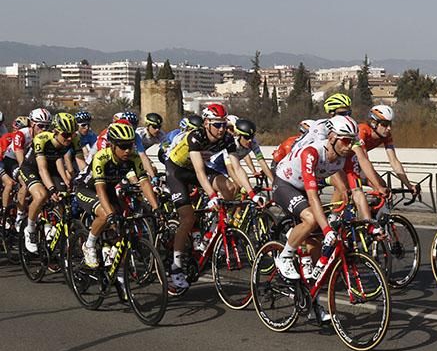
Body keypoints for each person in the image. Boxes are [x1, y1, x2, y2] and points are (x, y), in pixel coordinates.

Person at [271, 116, 363, 316]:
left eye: (353, 141)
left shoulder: (346, 156)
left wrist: (371, 222)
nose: (350, 146)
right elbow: (312, 196)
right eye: (346, 141)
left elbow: (355, 186)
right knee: (312, 219)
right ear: (332, 138)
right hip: (285, 185)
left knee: (316, 250)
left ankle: (313, 302)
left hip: (304, 188)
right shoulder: (312, 152)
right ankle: (285, 257)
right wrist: (327, 228)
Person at [163, 103, 259, 291]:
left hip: (196, 170)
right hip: (177, 171)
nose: (221, 129)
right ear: (206, 123)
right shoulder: (195, 136)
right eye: (217, 125)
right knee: (188, 218)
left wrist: (252, 193)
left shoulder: (227, 139)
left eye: (223, 124)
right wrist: (212, 195)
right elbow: (199, 171)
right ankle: (175, 265)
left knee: (230, 187)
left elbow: (237, 168)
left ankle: (213, 230)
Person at [75, 122, 160, 274]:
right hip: (87, 189)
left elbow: (145, 183)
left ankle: (114, 264)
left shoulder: (134, 158)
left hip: (109, 189)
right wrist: (110, 215)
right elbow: (100, 190)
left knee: (123, 228)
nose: (127, 150)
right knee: (106, 214)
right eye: (122, 146)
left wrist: (156, 208)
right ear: (112, 145)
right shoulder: (102, 157)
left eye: (130, 145)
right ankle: (89, 244)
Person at [19, 112, 81, 253]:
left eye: (72, 134)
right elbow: (42, 169)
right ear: (55, 131)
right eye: (65, 135)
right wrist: (52, 188)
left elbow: (78, 162)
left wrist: (75, 180)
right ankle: (30, 228)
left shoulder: (74, 139)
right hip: (31, 168)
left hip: (51, 168)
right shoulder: (42, 139)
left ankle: (53, 227)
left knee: (63, 199)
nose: (70, 138)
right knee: (42, 195)